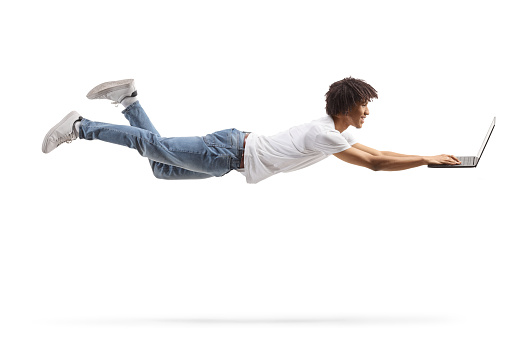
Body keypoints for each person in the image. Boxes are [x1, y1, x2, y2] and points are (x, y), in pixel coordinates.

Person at [42, 77, 461, 184]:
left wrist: (428, 156)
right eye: (364, 103)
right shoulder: (326, 135)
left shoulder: (334, 131)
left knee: (160, 166)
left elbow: (377, 152)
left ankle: (130, 99)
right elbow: (374, 164)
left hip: (230, 160)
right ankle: (81, 127)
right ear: (348, 106)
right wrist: (427, 159)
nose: (368, 110)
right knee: (155, 146)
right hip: (225, 152)